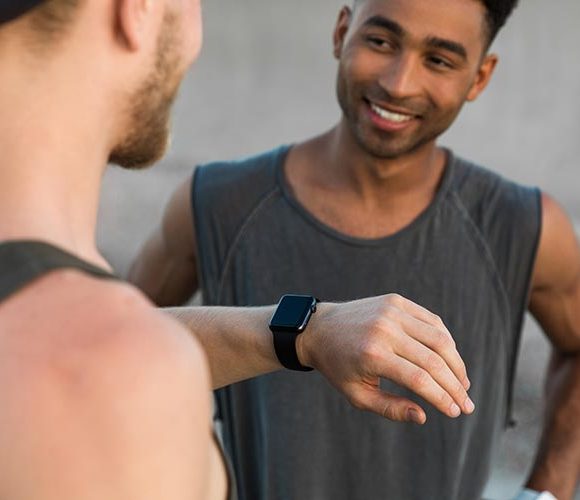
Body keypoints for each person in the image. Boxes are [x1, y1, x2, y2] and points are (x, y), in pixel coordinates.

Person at [0, 1, 478, 499]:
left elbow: (88, 332)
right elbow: (104, 348)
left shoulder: (78, 342)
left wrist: (307, 332)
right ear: (136, 9)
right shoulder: (116, 382)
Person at [129, 0, 580, 499]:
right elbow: (105, 347)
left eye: (438, 60)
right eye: (381, 41)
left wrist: (544, 494)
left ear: (480, 77)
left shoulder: (525, 226)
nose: (399, 83)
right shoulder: (215, 204)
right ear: (341, 33)